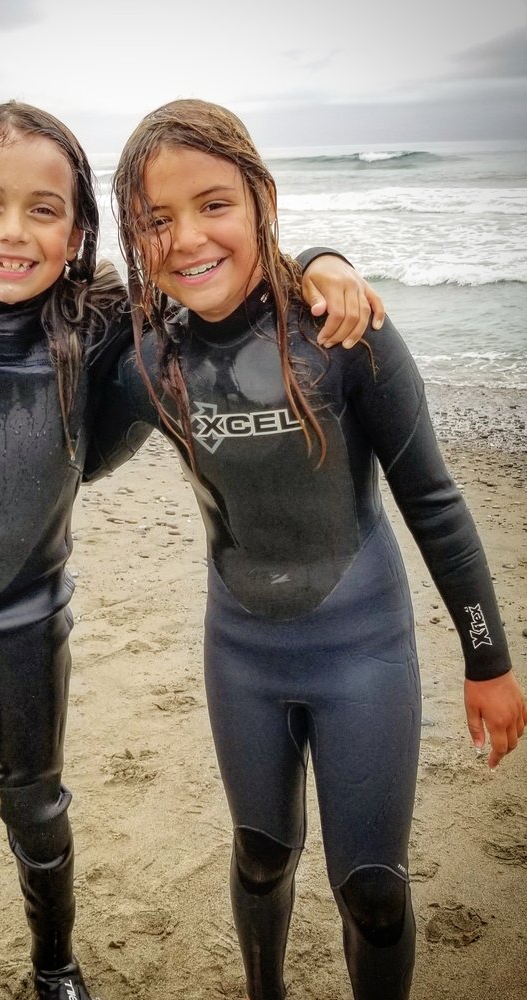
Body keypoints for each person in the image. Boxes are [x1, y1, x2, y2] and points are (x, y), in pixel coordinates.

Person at [0, 101, 379, 1000]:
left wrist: (322, 261)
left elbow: (214, 277)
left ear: (79, 230)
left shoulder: (101, 331)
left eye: (43, 210)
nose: (13, 232)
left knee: (37, 804)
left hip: (32, 616)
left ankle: (56, 968)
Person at [83, 99, 527, 999]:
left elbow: (433, 499)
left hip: (363, 649)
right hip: (240, 651)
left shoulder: (343, 335)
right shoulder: (147, 363)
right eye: (157, 220)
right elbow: (73, 460)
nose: (189, 237)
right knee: (259, 857)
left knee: (373, 894)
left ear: (262, 200)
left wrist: (488, 658)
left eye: (215, 204)